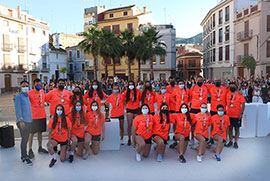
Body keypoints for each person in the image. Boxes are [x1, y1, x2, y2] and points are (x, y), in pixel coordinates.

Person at [27, 78, 48, 159]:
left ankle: (40, 147)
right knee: (31, 133)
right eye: (37, 85)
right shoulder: (29, 93)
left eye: (40, 84)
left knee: (40, 132)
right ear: (33, 85)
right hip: (33, 116)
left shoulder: (42, 91)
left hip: (42, 115)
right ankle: (30, 149)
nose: (38, 86)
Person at [14, 80, 33, 166]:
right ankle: (24, 156)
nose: (25, 87)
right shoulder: (18, 97)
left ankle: (24, 155)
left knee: (26, 139)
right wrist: (21, 121)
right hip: (23, 122)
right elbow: (18, 110)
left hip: (28, 121)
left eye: (27, 86)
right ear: (21, 87)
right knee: (24, 139)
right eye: (23, 86)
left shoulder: (27, 96)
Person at [189, 76, 209, 146]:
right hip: (194, 108)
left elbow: (217, 87)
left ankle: (202, 138)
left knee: (203, 123)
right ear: (196, 81)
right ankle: (192, 138)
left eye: (201, 80)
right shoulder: (193, 88)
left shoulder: (207, 87)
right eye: (198, 80)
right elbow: (189, 96)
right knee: (193, 124)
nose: (200, 81)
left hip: (203, 108)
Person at [225, 82, 245, 149]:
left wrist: (241, 113)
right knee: (230, 128)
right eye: (231, 86)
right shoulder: (227, 94)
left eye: (233, 86)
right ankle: (230, 141)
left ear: (235, 87)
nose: (232, 87)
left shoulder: (239, 94)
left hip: (237, 115)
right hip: (229, 115)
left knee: (237, 129)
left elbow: (243, 104)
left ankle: (236, 142)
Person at [123, 80, 141, 146]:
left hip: (136, 108)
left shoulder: (137, 91)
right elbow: (123, 100)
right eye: (129, 84)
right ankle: (129, 139)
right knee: (129, 125)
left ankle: (136, 138)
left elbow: (140, 98)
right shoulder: (126, 92)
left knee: (136, 125)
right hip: (129, 109)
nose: (131, 86)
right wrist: (126, 106)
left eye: (132, 84)